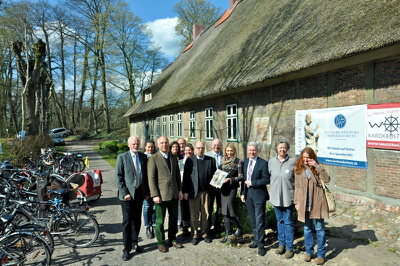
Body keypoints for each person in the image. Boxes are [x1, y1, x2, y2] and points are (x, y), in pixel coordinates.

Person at [294, 147, 330, 265]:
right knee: (307, 228)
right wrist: (296, 202)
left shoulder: (318, 166)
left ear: (312, 157)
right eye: (303, 158)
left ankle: (320, 255)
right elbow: (297, 187)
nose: (305, 160)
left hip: (317, 201)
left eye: (308, 158)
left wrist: (317, 166)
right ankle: (309, 252)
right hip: (305, 203)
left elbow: (327, 179)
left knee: (320, 229)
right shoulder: (298, 169)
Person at [115, 136, 149, 261]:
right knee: (127, 222)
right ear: (129, 145)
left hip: (139, 193)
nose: (136, 145)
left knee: (137, 220)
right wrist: (124, 193)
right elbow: (118, 177)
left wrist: (146, 192)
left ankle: (135, 242)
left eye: (137, 143)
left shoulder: (143, 157)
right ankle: (126, 248)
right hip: (127, 196)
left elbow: (145, 177)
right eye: (133, 144)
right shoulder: (122, 157)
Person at [148, 136, 183, 253]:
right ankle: (161, 242)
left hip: (174, 195)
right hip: (161, 196)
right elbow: (151, 179)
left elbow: (177, 176)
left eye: (166, 142)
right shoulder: (154, 159)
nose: (164, 145)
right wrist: (155, 195)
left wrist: (180, 190)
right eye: (162, 143)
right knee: (160, 221)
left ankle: (173, 239)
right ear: (158, 145)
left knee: (173, 219)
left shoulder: (173, 157)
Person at [183, 141, 216, 245]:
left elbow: (215, 175)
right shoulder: (190, 161)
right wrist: (185, 192)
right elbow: (186, 178)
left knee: (206, 214)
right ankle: (195, 234)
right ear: (195, 149)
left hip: (206, 192)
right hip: (193, 192)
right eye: (198, 148)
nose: (200, 150)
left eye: (201, 148)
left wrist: (216, 182)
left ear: (204, 149)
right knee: (194, 215)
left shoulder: (211, 160)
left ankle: (204, 233)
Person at [240, 142, 270, 256]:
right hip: (248, 195)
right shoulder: (246, 162)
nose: (252, 152)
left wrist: (252, 183)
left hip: (259, 195)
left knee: (260, 220)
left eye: (254, 150)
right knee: (253, 220)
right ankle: (256, 241)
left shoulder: (263, 163)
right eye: (250, 150)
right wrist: (243, 192)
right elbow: (244, 179)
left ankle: (261, 245)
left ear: (257, 151)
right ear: (248, 151)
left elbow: (266, 180)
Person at [268, 139, 296, 259]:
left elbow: (297, 180)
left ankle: (290, 247)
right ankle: (281, 244)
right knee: (280, 221)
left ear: (287, 149)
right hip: (275, 197)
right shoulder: (271, 162)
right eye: (280, 147)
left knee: (288, 222)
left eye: (284, 147)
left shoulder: (292, 162)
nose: (282, 150)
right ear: (277, 149)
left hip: (288, 197)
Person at [217, 143, 244, 243]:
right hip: (223, 189)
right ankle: (228, 234)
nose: (229, 153)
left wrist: (230, 179)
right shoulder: (223, 161)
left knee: (229, 207)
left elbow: (241, 177)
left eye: (231, 151)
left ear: (234, 151)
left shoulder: (238, 162)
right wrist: (216, 182)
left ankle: (239, 227)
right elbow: (218, 175)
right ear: (225, 151)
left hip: (232, 188)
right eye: (227, 151)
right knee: (224, 211)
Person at [205, 138, 223, 238]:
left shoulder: (224, 156)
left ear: (221, 146)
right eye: (215, 145)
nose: (216, 146)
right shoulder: (207, 155)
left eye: (218, 145)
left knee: (219, 208)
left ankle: (217, 228)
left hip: (221, 187)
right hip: (210, 187)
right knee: (209, 207)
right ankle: (208, 228)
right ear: (212, 145)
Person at [179, 143, 194, 237]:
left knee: (192, 209)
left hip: (192, 188)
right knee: (184, 208)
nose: (188, 152)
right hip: (182, 188)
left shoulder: (194, 161)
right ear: (184, 152)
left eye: (190, 150)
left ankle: (193, 226)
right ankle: (185, 227)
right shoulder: (180, 162)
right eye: (186, 150)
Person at [143, 139, 156, 239]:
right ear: (145, 147)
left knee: (155, 207)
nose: (150, 148)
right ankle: (147, 226)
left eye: (152, 147)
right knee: (147, 207)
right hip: (146, 188)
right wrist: (145, 191)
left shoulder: (156, 156)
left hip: (155, 188)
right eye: (149, 147)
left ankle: (154, 225)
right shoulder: (142, 158)